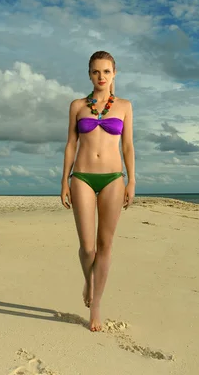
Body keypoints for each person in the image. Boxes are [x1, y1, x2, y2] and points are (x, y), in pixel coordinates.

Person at [60, 50, 136, 332]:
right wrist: (63, 181)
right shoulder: (77, 106)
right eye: (96, 71)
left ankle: (97, 305)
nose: (101, 76)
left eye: (106, 71)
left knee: (105, 246)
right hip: (81, 177)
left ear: (114, 74)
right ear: (89, 74)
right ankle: (88, 281)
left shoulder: (125, 106)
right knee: (88, 247)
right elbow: (71, 143)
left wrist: (132, 181)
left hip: (114, 179)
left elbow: (128, 146)